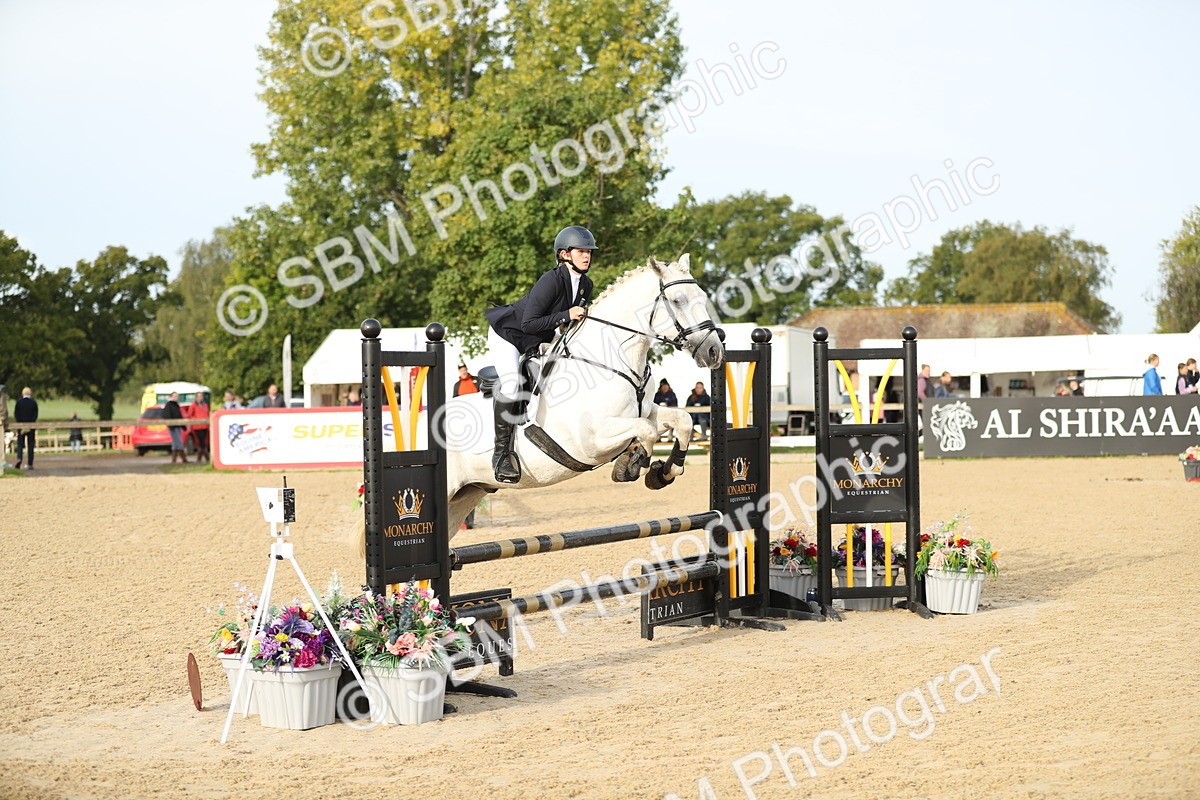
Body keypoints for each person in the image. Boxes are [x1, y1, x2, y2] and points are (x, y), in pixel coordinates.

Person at [484, 225, 595, 483]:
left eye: (589, 252)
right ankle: (501, 455)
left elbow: (565, 326)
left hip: (539, 339)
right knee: (512, 386)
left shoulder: (585, 285)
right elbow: (528, 324)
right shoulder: (551, 280)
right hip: (509, 335)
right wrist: (566, 315)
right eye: (581, 251)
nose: (587, 256)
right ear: (565, 254)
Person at [14, 387, 38, 469]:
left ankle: (19, 458)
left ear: (22, 393)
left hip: (21, 426)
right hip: (31, 426)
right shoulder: (33, 403)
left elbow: (16, 414)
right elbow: (35, 414)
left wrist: (20, 423)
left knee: (20, 444)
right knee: (30, 444)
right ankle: (30, 463)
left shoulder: (19, 402)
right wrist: (31, 422)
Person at [164, 391, 187, 463]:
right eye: (174, 396)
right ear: (171, 397)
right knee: (178, 442)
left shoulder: (176, 405)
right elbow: (167, 415)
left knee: (175, 443)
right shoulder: (169, 405)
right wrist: (171, 425)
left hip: (178, 426)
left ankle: (174, 460)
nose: (176, 398)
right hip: (173, 427)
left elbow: (179, 416)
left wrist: (183, 426)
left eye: (177, 396)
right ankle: (184, 459)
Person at [192, 392, 210, 463]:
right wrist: (196, 420)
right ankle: (206, 458)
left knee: (202, 442)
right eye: (198, 396)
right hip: (198, 426)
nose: (200, 398)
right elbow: (190, 414)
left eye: (201, 396)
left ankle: (199, 458)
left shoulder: (205, 405)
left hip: (205, 426)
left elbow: (207, 413)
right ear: (196, 397)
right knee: (201, 441)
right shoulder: (193, 405)